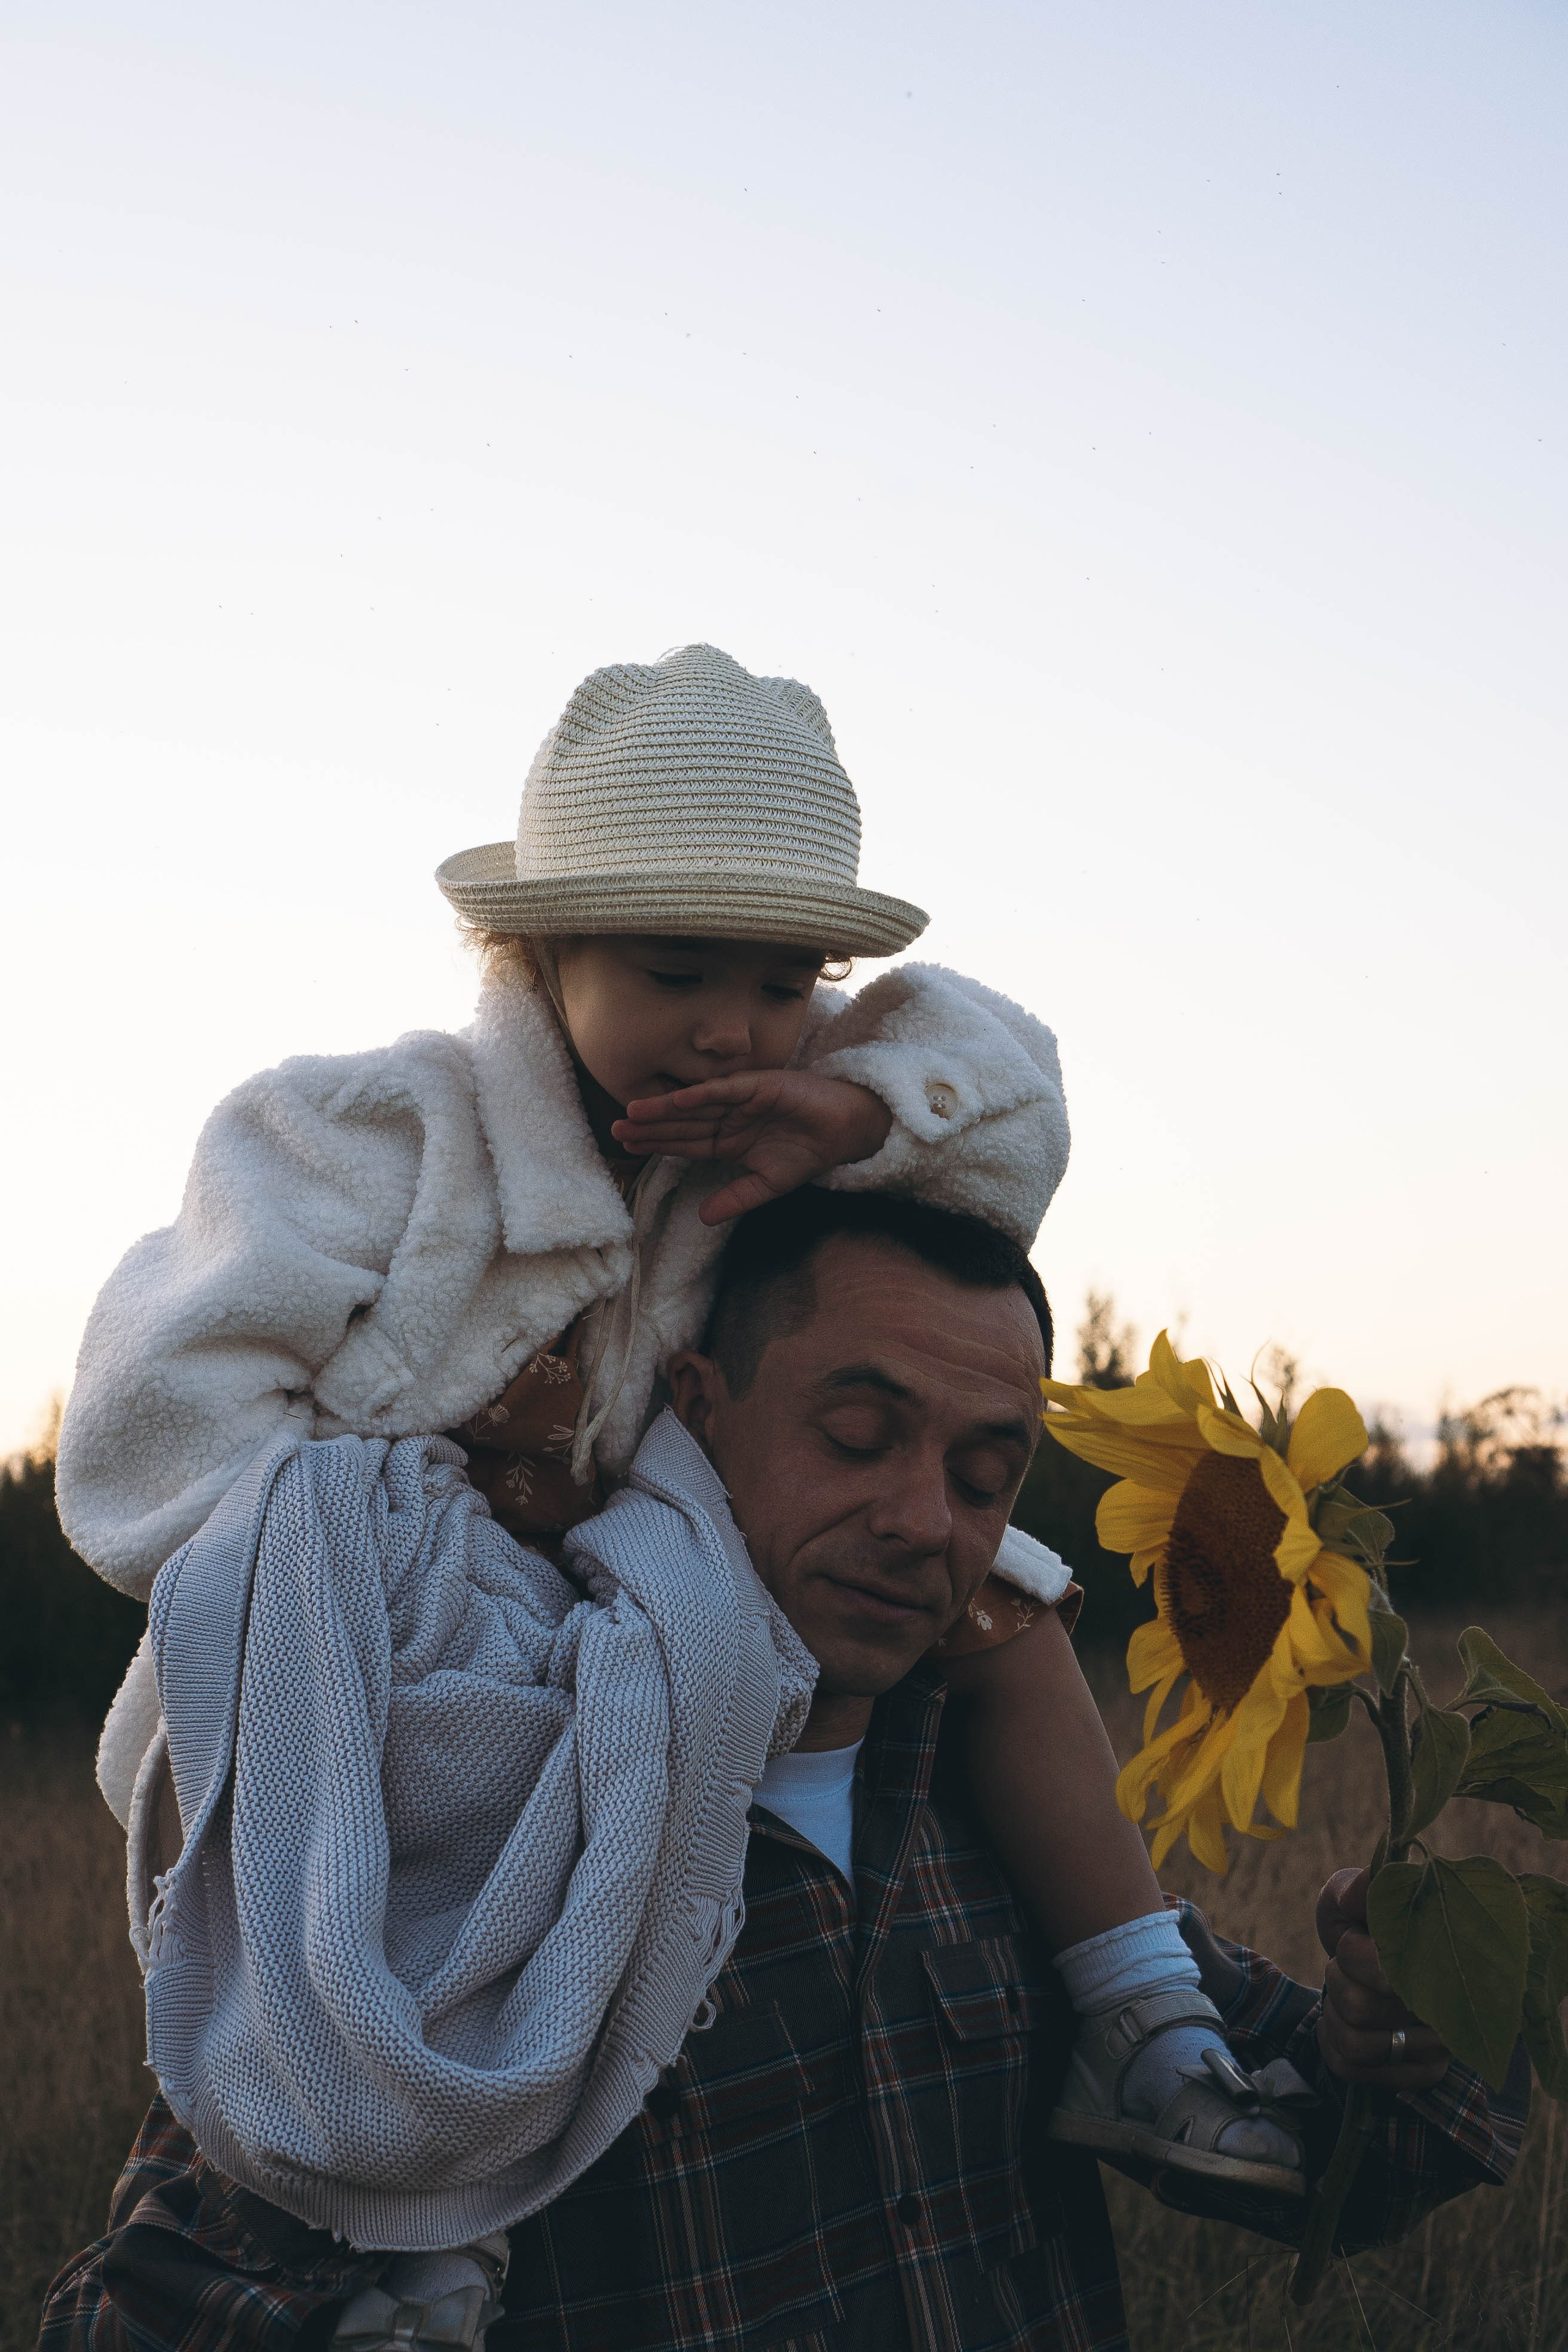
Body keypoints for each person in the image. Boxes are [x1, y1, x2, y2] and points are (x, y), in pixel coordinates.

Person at [56, 644, 1286, 2314]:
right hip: (382, 1609)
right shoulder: (373, 1137)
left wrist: (853, 1115)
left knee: (998, 1600)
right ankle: (420, 2226)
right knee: (438, 1815)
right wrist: (385, 1537)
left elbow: (1010, 1108)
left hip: (661, 1577)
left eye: (785, 983)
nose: (732, 1026)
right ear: (540, 950)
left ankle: (1140, 2003)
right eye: (675, 969)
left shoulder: (783, 1127)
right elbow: (158, 1407)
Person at [40, 1189, 1526, 2352]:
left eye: (983, 1474)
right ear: (695, 1408)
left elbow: (1350, 2165)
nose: (923, 1521)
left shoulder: (1011, 1833)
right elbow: (155, 2296)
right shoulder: (487, 1831)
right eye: (858, 1436)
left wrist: (1396, 2027)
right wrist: (333, 2219)